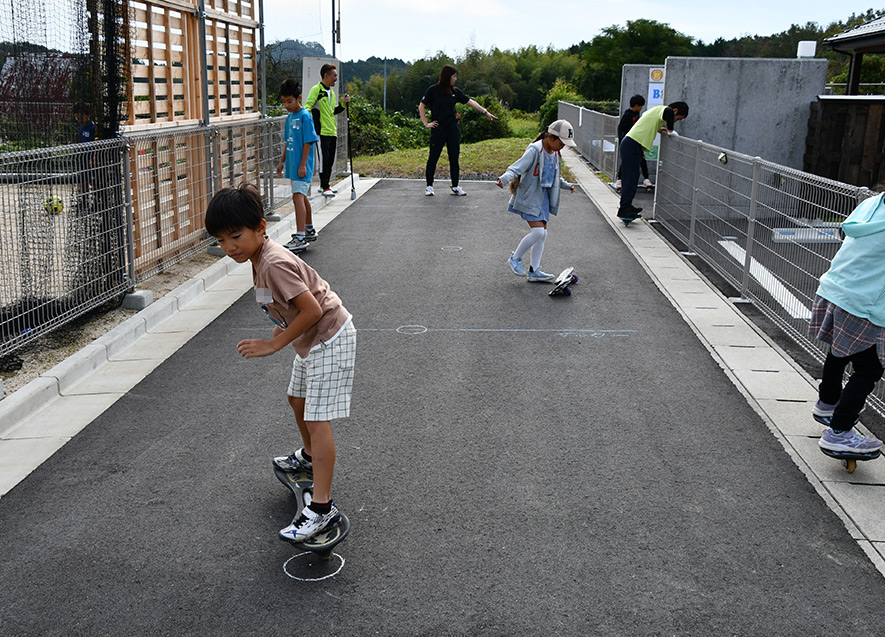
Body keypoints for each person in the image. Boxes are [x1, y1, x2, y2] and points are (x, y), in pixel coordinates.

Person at [205, 183, 356, 542]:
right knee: (297, 400)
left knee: (318, 419)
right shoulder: (257, 259)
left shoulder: (274, 263)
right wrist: (280, 336)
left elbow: (312, 310)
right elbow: (283, 307)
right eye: (221, 241)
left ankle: (322, 509)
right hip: (311, 341)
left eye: (236, 236)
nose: (229, 248)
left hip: (329, 337)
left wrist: (273, 346)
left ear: (261, 227)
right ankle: (306, 456)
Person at [808, 192, 885, 455]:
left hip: (835, 288)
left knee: (839, 351)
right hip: (866, 302)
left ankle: (827, 402)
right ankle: (839, 432)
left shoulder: (873, 203)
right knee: (870, 368)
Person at [495, 120, 576, 282]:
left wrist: (567, 185)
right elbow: (518, 167)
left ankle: (534, 270)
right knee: (538, 232)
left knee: (542, 234)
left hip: (544, 198)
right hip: (530, 197)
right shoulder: (535, 150)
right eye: (561, 143)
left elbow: (556, 176)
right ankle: (515, 258)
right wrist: (504, 179)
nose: (563, 147)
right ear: (551, 137)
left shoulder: (555, 154)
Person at [419, 64, 497, 197]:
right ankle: (429, 186)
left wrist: (485, 112)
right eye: (454, 76)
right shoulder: (433, 90)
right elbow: (422, 106)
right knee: (433, 158)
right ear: (447, 76)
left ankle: (455, 186)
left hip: (452, 129)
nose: (455, 79)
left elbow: (470, 102)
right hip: (438, 129)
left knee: (454, 158)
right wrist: (426, 123)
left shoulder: (455, 92)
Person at [618, 101, 688, 220]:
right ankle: (624, 209)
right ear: (675, 111)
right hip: (632, 144)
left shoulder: (656, 112)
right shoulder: (666, 110)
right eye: (678, 118)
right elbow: (669, 111)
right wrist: (670, 130)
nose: (676, 120)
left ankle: (627, 206)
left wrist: (661, 129)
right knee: (630, 178)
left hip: (632, 144)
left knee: (633, 177)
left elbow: (650, 123)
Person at [276, 79, 319, 254]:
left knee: (297, 197)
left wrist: (303, 165)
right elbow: (288, 141)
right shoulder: (290, 117)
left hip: (302, 166)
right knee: (302, 197)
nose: (286, 105)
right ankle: (308, 230)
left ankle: (300, 237)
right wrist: (282, 161)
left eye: (290, 101)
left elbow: (309, 142)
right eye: (284, 101)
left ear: (299, 97)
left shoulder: (305, 116)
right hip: (293, 165)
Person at [303, 63, 350, 198]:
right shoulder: (317, 89)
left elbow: (333, 111)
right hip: (321, 132)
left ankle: (325, 185)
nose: (336, 78)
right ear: (326, 76)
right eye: (334, 75)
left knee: (329, 160)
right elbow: (308, 106)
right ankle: (325, 186)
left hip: (332, 131)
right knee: (324, 160)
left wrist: (343, 104)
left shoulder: (332, 93)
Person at [614, 95, 651, 191]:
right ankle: (619, 179)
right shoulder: (627, 115)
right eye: (640, 106)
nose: (641, 108)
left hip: (637, 141)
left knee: (642, 159)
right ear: (635, 105)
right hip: (628, 141)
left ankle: (646, 178)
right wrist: (621, 140)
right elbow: (620, 128)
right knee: (626, 160)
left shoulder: (638, 114)